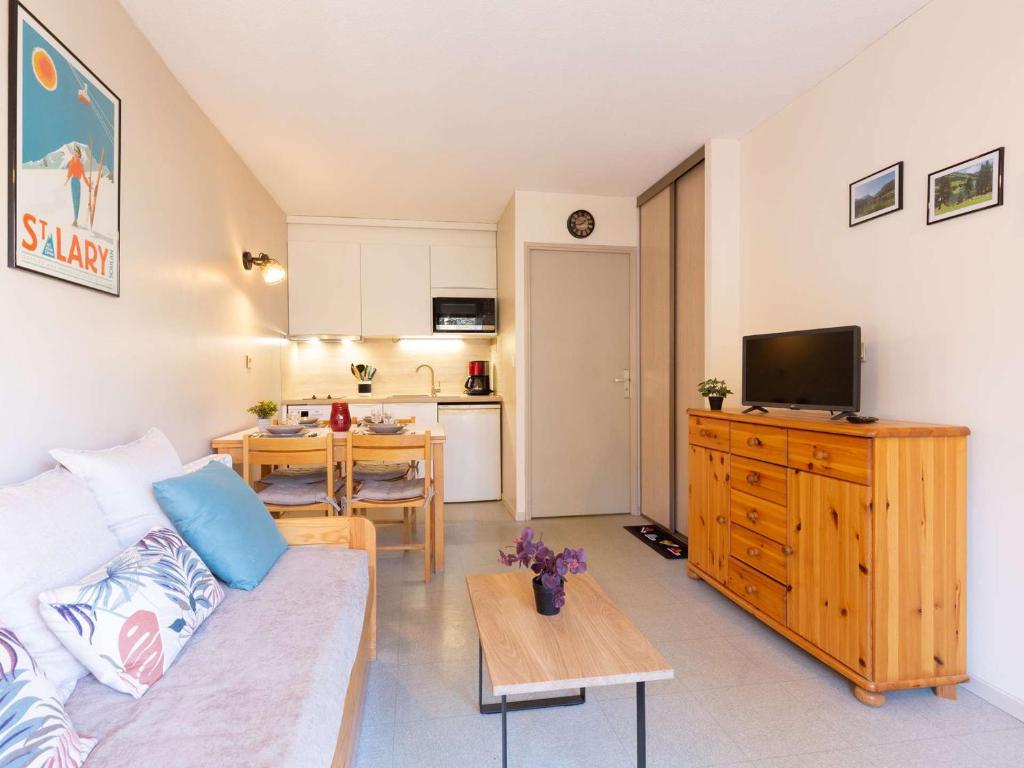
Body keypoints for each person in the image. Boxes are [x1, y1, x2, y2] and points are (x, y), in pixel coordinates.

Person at [64, 144, 92, 227]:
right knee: (74, 201)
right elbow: (69, 172)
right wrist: (66, 180)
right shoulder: (72, 162)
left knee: (77, 201)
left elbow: (84, 177)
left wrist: (89, 185)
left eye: (76, 152)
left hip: (78, 182)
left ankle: (76, 219)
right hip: (73, 181)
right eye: (74, 152)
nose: (75, 153)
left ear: (79, 154)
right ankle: (75, 220)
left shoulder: (81, 165)